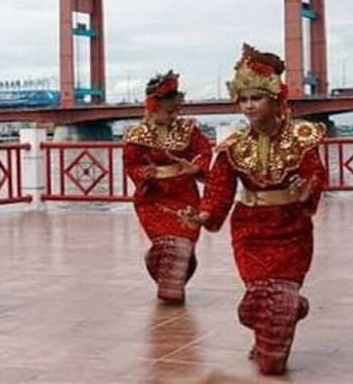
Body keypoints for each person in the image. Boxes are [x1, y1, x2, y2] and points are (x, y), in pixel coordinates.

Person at [181, 44, 327, 375]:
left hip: (291, 227)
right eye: (243, 99)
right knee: (260, 291)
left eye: (255, 98)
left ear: (275, 99)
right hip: (250, 229)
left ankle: (274, 337)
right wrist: (203, 215)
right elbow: (219, 188)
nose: (248, 106)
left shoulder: (302, 137)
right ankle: (275, 328)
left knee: (283, 290)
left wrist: (308, 189)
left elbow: (315, 173)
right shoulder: (234, 145)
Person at [123, 70, 212, 304]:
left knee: (184, 245)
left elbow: (204, 152)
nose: (174, 116)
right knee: (167, 243)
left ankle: (170, 283)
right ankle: (171, 289)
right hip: (153, 198)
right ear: (153, 108)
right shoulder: (137, 134)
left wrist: (195, 167)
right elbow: (131, 163)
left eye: (177, 111)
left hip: (184, 193)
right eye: (169, 111)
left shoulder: (188, 130)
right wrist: (145, 174)